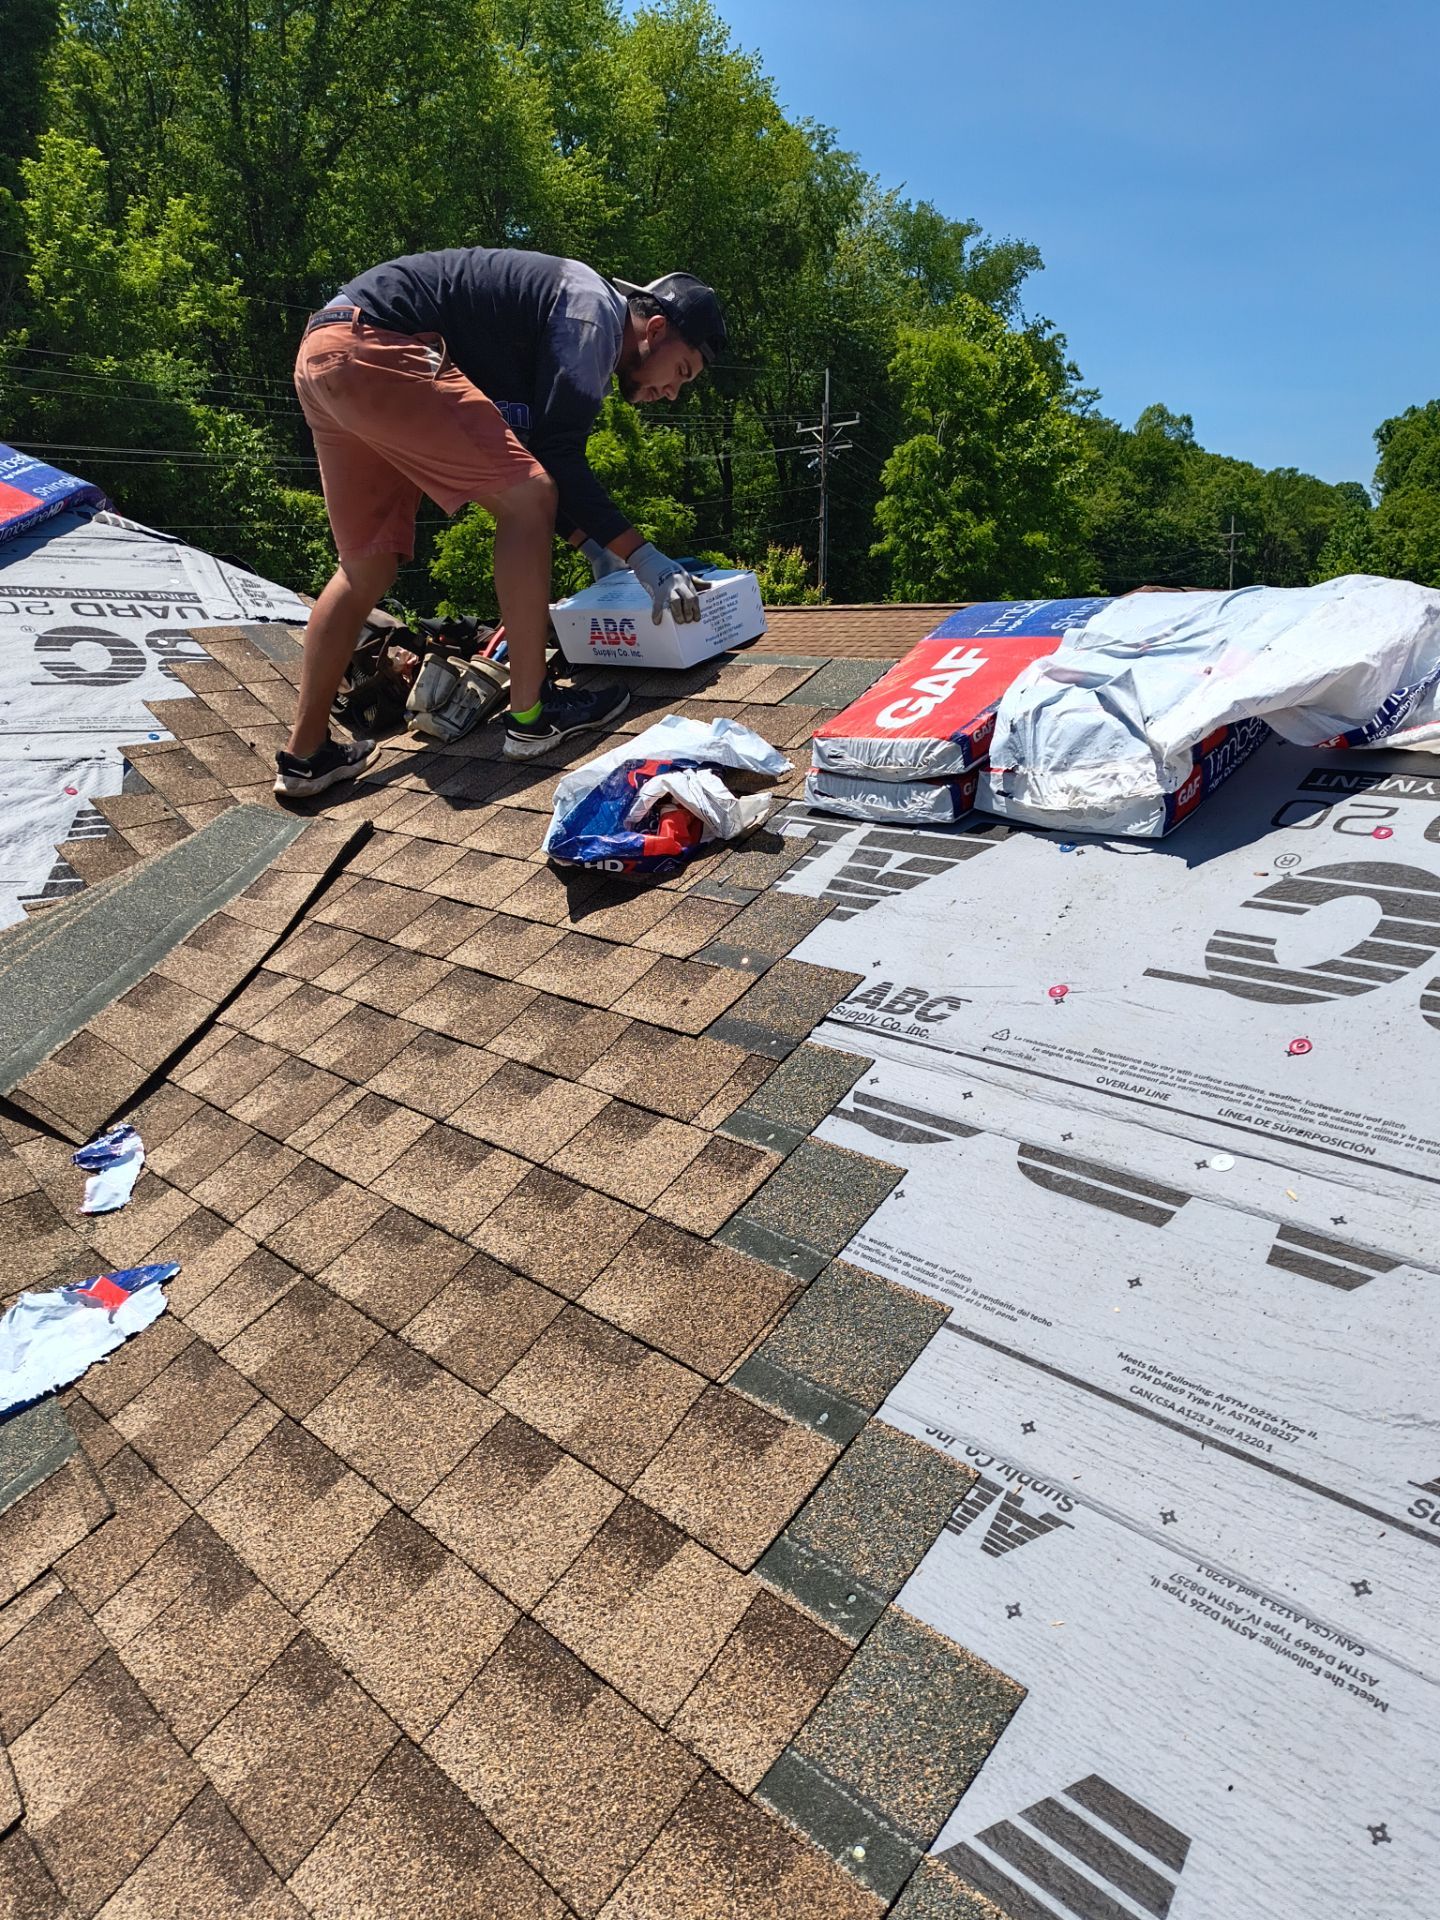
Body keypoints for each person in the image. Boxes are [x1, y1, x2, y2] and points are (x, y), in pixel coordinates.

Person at [274, 248, 727, 796]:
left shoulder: (555, 324)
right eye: (680, 372)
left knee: (366, 567)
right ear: (655, 327)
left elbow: (528, 454)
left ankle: (305, 758)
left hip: (325, 353)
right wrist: (640, 555)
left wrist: (590, 542)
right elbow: (554, 464)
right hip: (383, 347)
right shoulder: (593, 316)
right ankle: (532, 719)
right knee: (532, 496)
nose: (672, 393)